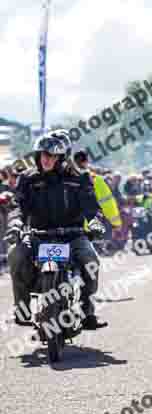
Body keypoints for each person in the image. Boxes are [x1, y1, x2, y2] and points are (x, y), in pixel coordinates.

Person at [6, 131, 108, 329]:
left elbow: (91, 207)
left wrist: (95, 222)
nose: (46, 159)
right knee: (15, 255)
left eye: (52, 155)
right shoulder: (28, 179)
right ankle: (22, 308)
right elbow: (17, 205)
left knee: (91, 260)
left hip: (73, 235)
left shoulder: (79, 178)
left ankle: (87, 311)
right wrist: (15, 224)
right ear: (37, 155)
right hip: (38, 235)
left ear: (61, 157)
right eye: (43, 154)